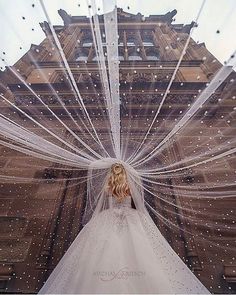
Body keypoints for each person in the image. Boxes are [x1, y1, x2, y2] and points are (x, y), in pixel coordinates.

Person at [38, 161, 210, 294]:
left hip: (108, 218)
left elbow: (103, 204)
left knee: (99, 253)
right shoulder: (130, 186)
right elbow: (139, 204)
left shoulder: (107, 187)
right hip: (131, 218)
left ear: (111, 173)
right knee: (142, 251)